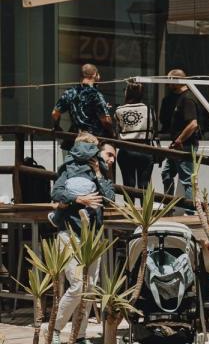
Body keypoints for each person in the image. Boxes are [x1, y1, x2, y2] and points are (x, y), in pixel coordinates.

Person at [49, 134, 116, 344]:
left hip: (93, 237)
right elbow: (57, 192)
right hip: (70, 233)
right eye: (109, 154)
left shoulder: (100, 171)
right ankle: (54, 329)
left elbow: (110, 198)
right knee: (78, 285)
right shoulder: (68, 168)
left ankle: (79, 335)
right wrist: (79, 199)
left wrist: (98, 173)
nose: (111, 159)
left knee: (89, 289)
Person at [52, 63, 113, 150]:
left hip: (77, 140)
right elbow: (106, 121)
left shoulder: (70, 92)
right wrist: (113, 133)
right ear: (95, 75)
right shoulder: (95, 94)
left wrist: (57, 126)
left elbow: (55, 113)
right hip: (93, 141)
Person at [160, 69, 200, 202]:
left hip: (186, 145)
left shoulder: (188, 98)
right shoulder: (174, 98)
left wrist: (179, 140)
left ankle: (191, 210)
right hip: (177, 145)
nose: (167, 84)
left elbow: (193, 124)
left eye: (169, 80)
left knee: (187, 180)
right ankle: (168, 206)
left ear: (176, 80)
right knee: (166, 173)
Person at [114, 81, 157, 190]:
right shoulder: (149, 109)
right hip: (145, 149)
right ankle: (145, 202)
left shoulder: (119, 110)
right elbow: (153, 127)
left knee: (128, 185)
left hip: (126, 150)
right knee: (144, 186)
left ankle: (128, 201)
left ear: (127, 93)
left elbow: (117, 129)